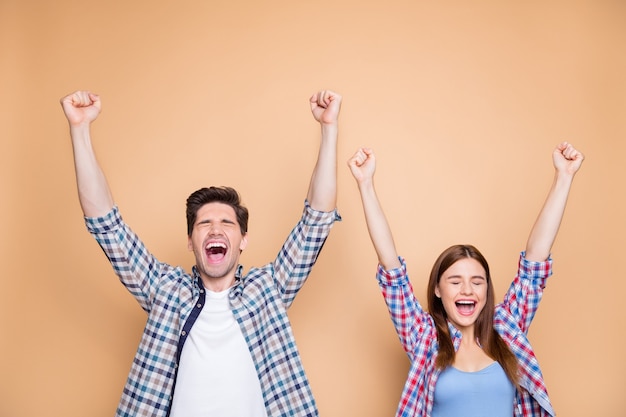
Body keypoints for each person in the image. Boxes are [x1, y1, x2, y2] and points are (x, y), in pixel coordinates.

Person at [61, 89, 342, 417]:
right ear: (191, 241)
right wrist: (79, 129)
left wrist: (329, 128)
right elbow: (107, 225)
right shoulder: (165, 289)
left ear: (242, 240)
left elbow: (316, 222)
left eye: (226, 222)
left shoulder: (269, 289)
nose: (215, 229)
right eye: (204, 223)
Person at [347, 142, 584, 416]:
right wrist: (365, 185)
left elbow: (534, 263)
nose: (467, 290)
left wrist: (563, 177)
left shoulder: (507, 326)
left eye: (477, 281)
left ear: (487, 289)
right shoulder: (423, 336)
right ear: (437, 289)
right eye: (455, 281)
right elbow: (391, 269)